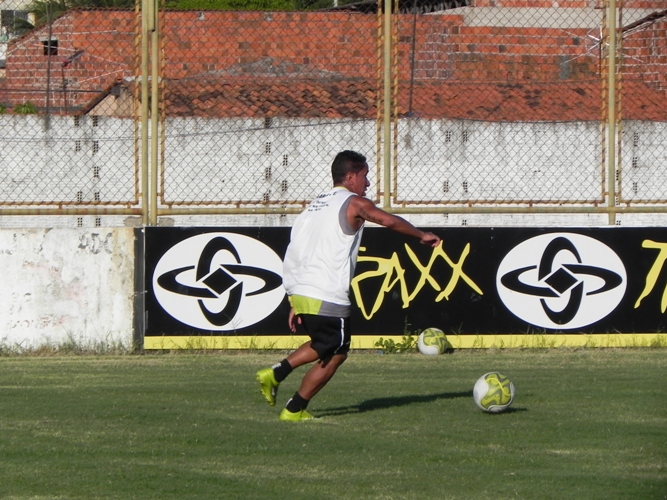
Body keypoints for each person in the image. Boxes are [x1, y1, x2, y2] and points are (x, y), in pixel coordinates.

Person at [256, 150, 441, 421]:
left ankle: (287, 394)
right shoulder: (353, 203)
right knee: (337, 349)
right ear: (351, 176)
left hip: (302, 289)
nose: (368, 184)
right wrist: (421, 234)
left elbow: (295, 249)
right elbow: (387, 220)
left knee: (326, 343)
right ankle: (285, 391)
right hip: (327, 290)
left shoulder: (312, 207)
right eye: (365, 177)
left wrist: (293, 297)